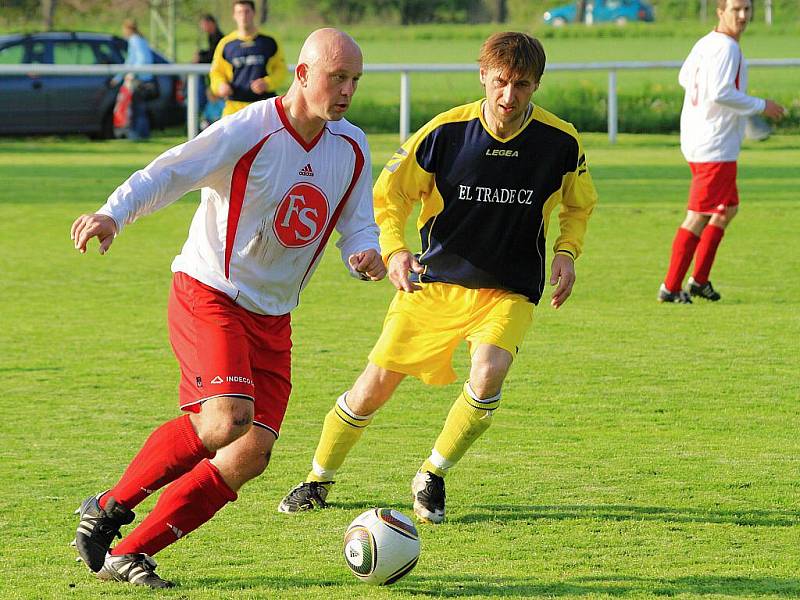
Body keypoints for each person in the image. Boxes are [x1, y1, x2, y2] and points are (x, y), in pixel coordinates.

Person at [70, 28, 384, 588]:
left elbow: (357, 221)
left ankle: (130, 552)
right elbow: (173, 169)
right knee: (224, 421)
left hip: (274, 315)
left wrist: (365, 253)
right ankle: (110, 506)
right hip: (210, 291)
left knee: (250, 454)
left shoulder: (352, 147)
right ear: (303, 74)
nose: (346, 91)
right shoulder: (251, 128)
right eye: (338, 77)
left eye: (355, 80)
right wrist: (114, 213)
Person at [278, 32, 598, 524]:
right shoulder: (446, 133)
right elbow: (390, 195)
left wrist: (567, 252)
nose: (509, 97)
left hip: (508, 288)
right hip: (433, 282)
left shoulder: (560, 141)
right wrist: (396, 250)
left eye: (523, 86)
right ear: (483, 76)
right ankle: (317, 479)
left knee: (488, 374)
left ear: (537, 85)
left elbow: (579, 203)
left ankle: (432, 474)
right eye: (501, 82)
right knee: (371, 390)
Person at [657, 0, 784, 304]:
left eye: (747, 10)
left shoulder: (706, 42)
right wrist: (760, 105)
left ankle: (699, 280)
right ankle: (671, 288)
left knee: (726, 209)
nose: (742, 16)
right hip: (714, 147)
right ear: (720, 11)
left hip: (704, 141)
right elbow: (720, 92)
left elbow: (684, 77)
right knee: (698, 216)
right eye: (736, 9)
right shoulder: (727, 47)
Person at [209, 0, 287, 117]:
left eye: (247, 11)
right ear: (234, 16)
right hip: (234, 108)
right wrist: (220, 85)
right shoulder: (226, 44)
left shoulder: (269, 41)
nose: (243, 16)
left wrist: (267, 83)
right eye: (239, 12)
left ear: (254, 13)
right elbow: (216, 73)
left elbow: (281, 71)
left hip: (264, 106)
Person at [114, 19, 156, 141]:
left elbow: (138, 60)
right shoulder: (140, 40)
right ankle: (142, 134)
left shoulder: (135, 40)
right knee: (140, 108)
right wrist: (119, 77)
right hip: (145, 78)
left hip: (141, 80)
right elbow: (131, 61)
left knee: (138, 108)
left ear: (128, 29)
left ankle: (139, 134)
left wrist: (132, 73)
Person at [194, 14, 226, 129]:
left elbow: (213, 56)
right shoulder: (212, 36)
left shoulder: (218, 38)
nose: (203, 28)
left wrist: (200, 57)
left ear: (211, 23)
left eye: (204, 24)